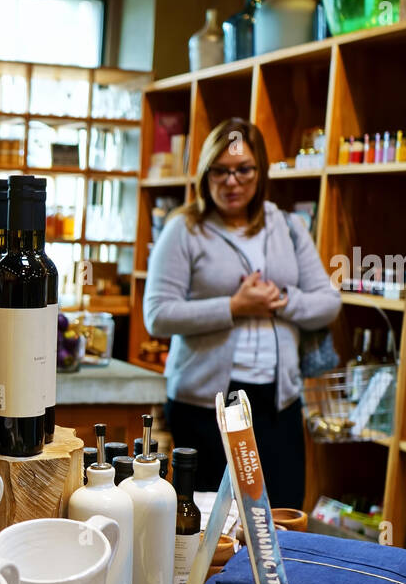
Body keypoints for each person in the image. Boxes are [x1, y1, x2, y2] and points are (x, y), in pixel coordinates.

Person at [144, 118, 339, 508]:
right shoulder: (183, 228)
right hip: (205, 407)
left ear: (259, 171)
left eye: (243, 169)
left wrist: (281, 299)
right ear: (206, 173)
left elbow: (328, 302)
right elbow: (158, 315)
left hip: (277, 405)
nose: (231, 181)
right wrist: (234, 307)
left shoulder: (289, 226)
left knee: (279, 517)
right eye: (220, 170)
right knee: (206, 522)